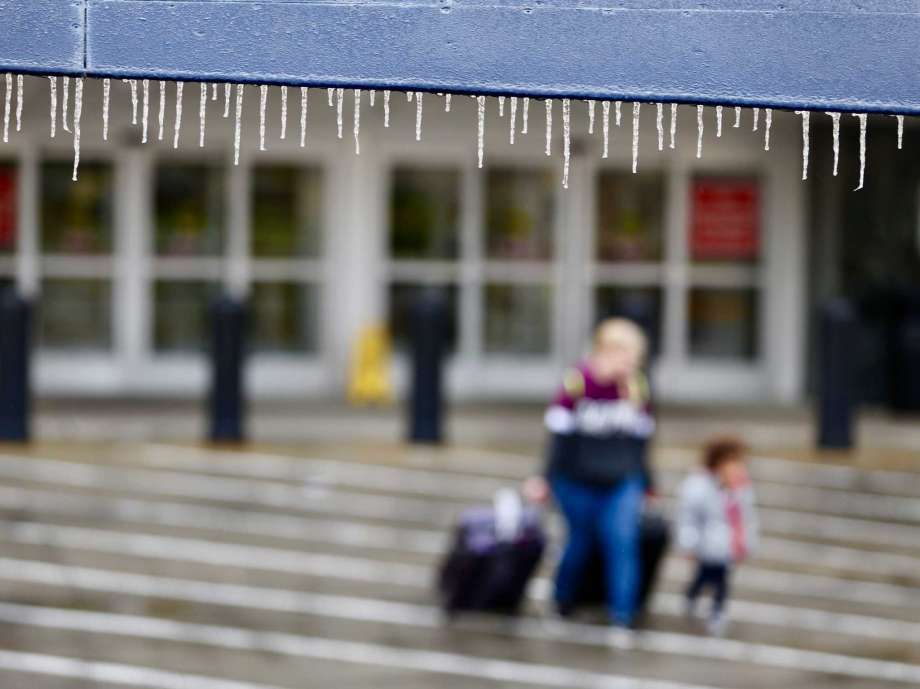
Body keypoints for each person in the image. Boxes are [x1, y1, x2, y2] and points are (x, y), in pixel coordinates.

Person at [525, 318, 655, 629]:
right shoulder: (578, 381)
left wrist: (648, 483)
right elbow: (559, 437)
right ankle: (562, 600)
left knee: (622, 541)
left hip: (621, 480)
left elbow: (642, 443)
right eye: (625, 354)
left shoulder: (637, 386)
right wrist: (544, 478)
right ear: (606, 350)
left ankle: (622, 613)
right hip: (575, 480)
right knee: (578, 543)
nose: (630, 362)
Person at [676, 437, 759, 636]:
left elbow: (747, 517)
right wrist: (689, 544)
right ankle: (691, 596)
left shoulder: (741, 487)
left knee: (722, 582)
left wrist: (746, 544)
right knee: (703, 577)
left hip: (726, 548)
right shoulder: (699, 486)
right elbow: (688, 518)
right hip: (707, 546)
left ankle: (717, 612)